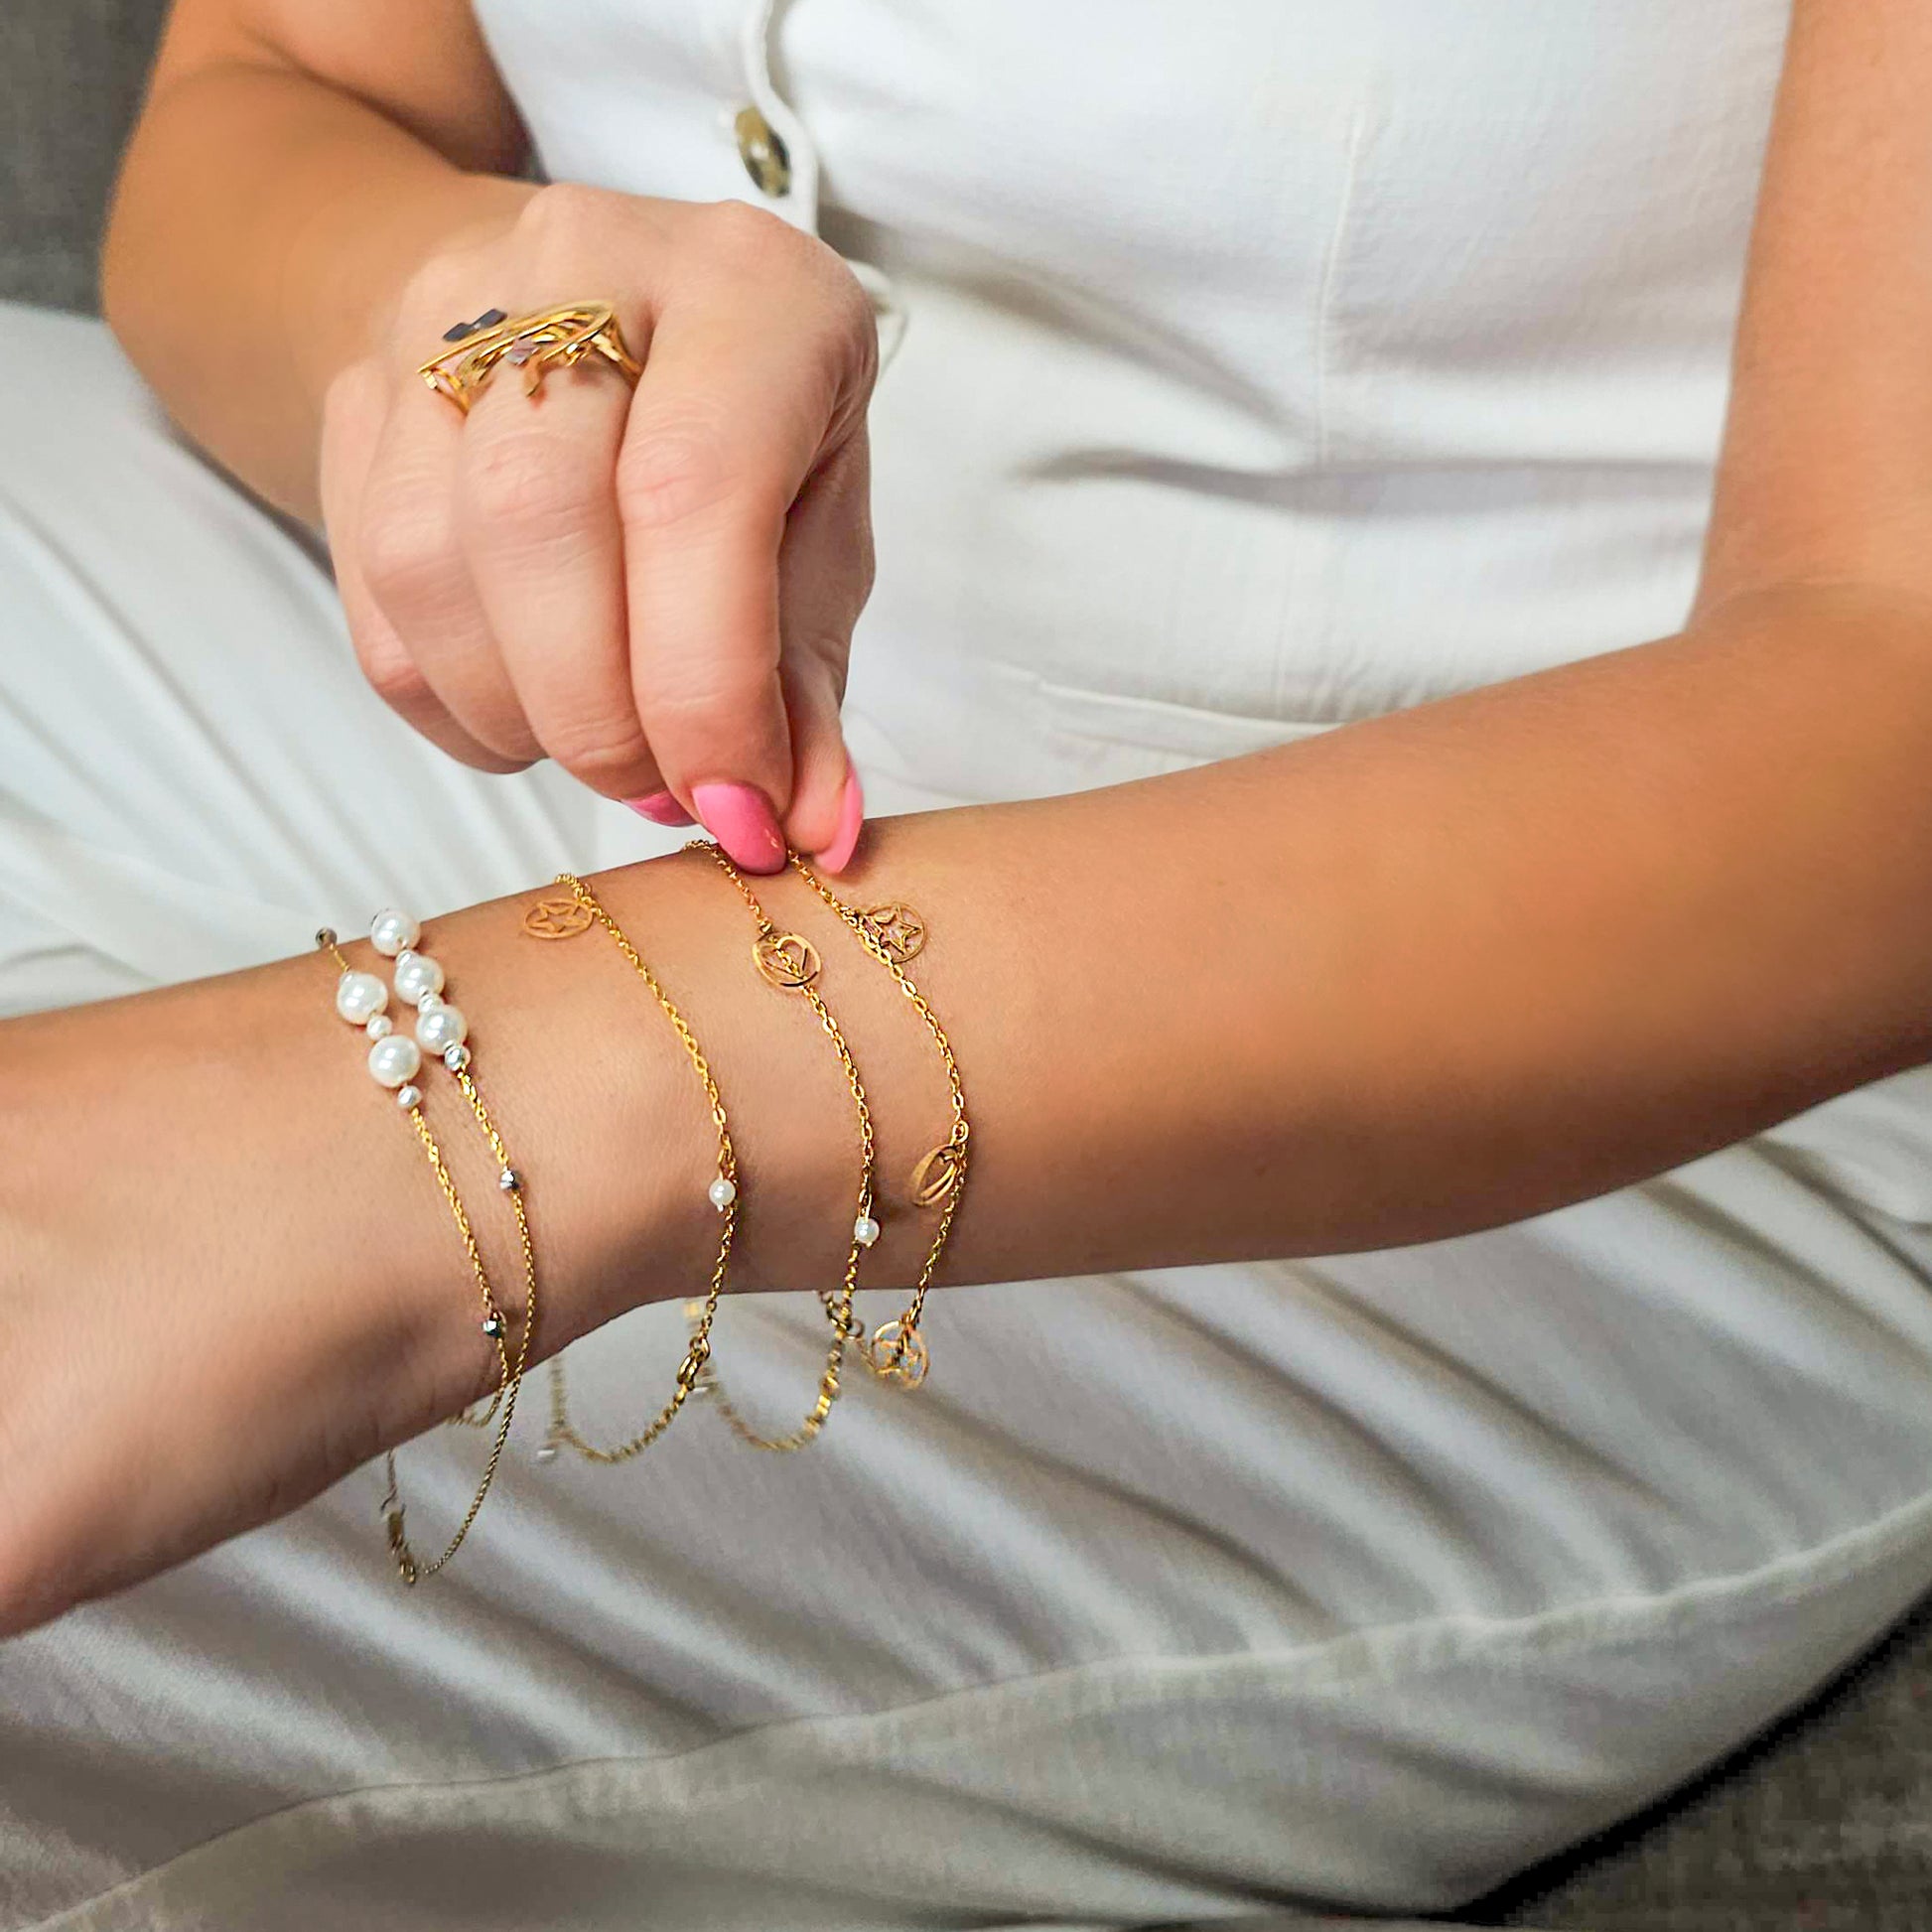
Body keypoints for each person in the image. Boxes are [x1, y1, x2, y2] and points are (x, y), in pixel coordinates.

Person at [5, 1, 1932, 1927]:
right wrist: (468, 310)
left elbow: (1890, 702)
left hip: (1570, 1073)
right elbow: (277, 81)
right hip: (515, 732)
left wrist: (452, 1103)